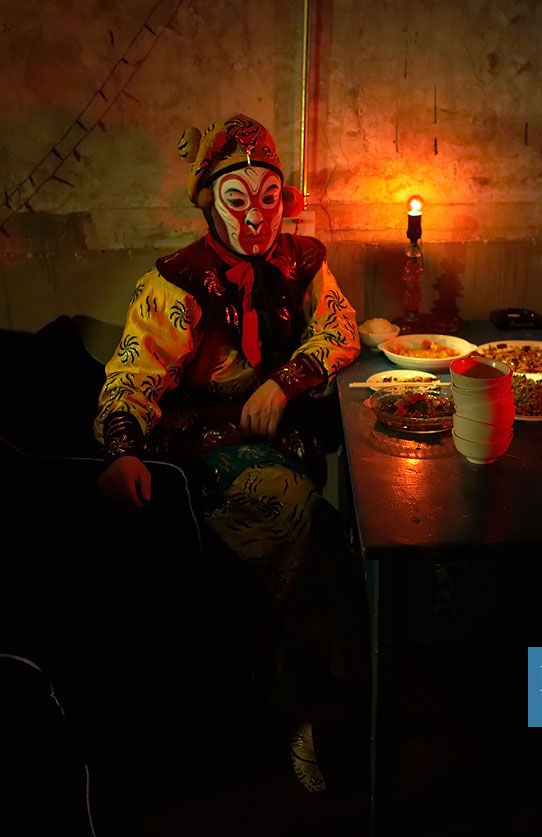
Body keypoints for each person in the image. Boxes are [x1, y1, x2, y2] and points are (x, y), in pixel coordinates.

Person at [93, 114, 366, 793]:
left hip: (281, 433)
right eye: (236, 201)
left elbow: (340, 328)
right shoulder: (176, 284)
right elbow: (130, 376)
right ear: (209, 204)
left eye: (268, 200)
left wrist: (285, 379)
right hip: (204, 451)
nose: (256, 219)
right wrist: (121, 448)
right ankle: (299, 708)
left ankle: (334, 683)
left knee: (341, 528)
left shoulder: (302, 261)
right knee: (304, 519)